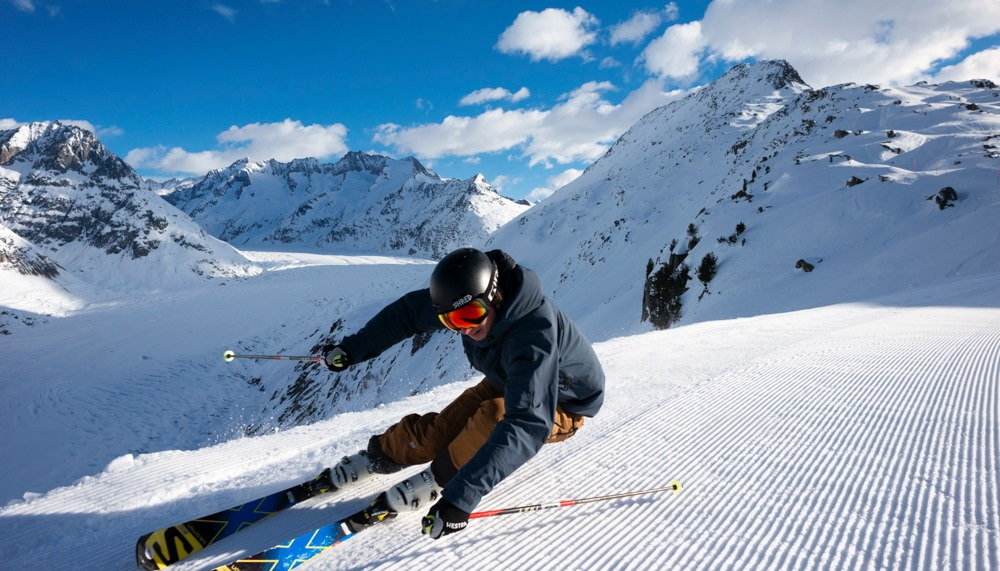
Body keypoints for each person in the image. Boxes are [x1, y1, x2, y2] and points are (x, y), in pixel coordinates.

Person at [322, 247, 605, 539]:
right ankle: (382, 454)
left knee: (492, 419)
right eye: (452, 322)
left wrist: (460, 500)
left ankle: (438, 478)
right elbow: (407, 314)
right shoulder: (465, 305)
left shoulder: (533, 337)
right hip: (507, 378)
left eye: (471, 315)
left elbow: (527, 423)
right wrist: (352, 349)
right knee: (438, 433)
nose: (465, 329)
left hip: (562, 402)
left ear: (494, 295)